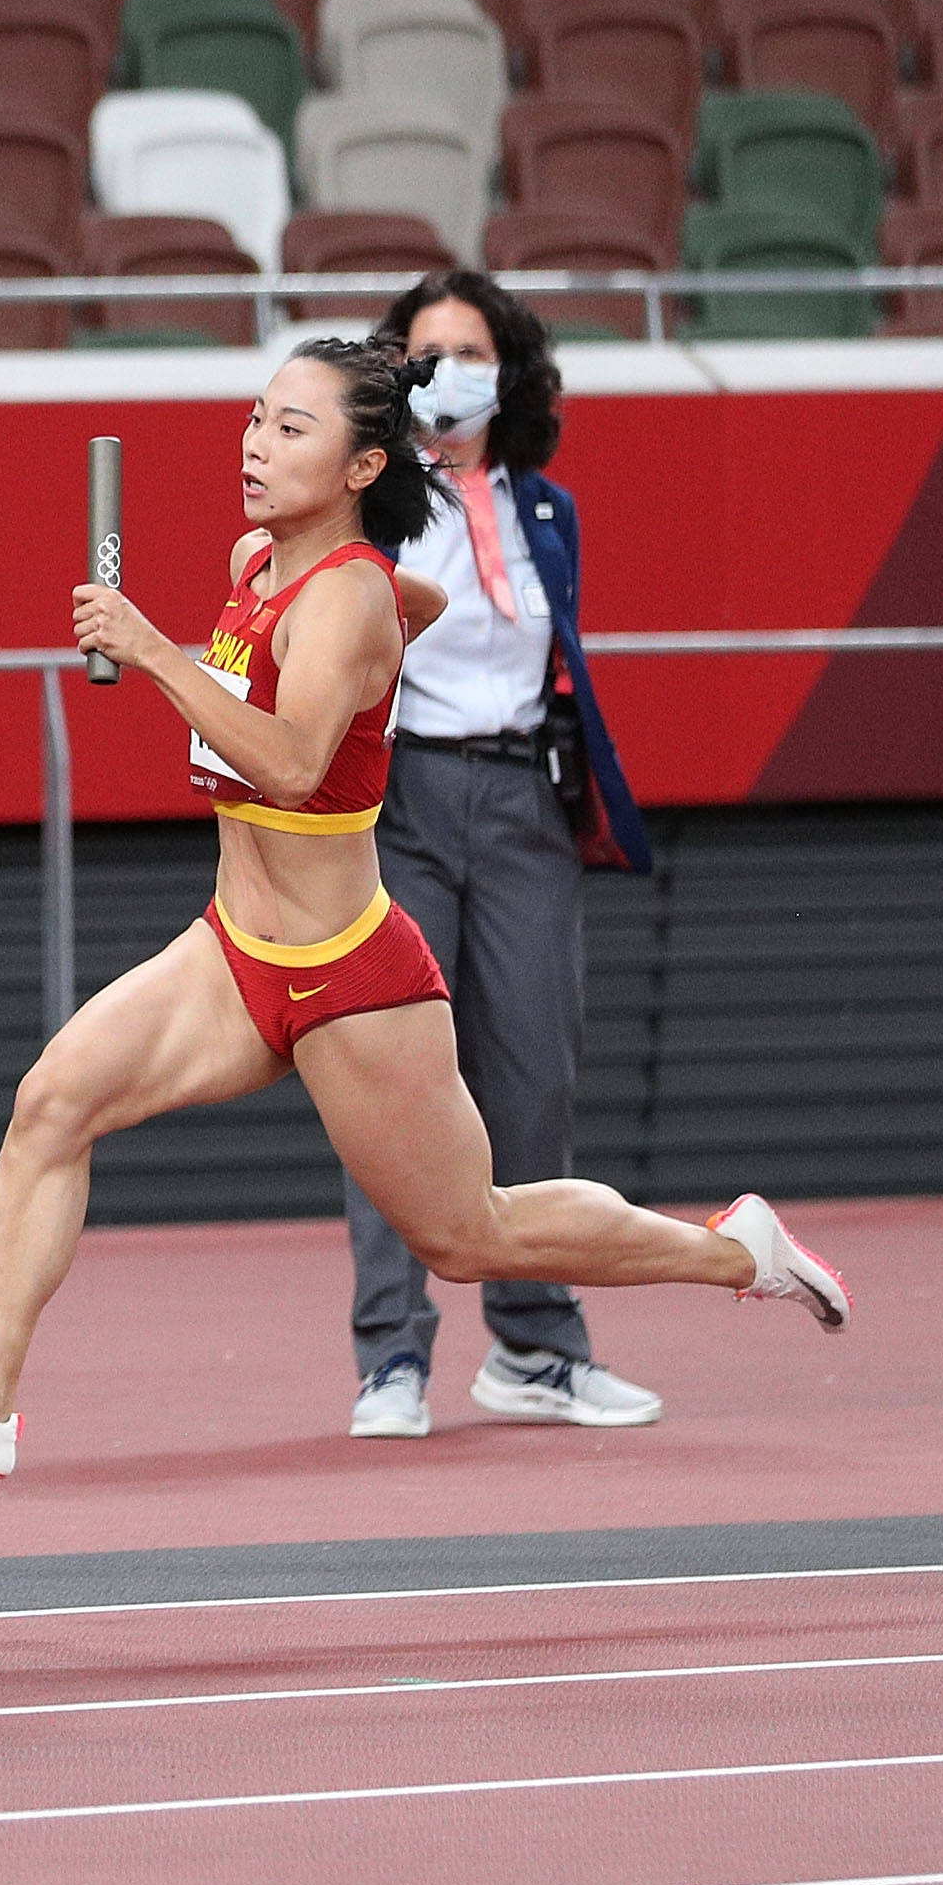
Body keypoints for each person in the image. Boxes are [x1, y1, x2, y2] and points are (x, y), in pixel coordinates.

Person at [0, 340, 850, 1486]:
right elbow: (403, 598)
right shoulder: (263, 562)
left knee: (473, 1235)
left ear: (365, 462)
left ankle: (733, 1253)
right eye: (256, 419)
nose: (256, 446)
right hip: (231, 950)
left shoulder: (348, 600)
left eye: (291, 429)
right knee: (50, 1106)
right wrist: (381, 616)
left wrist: (153, 647)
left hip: (349, 975)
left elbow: (287, 762)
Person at [343, 271, 659, 1441]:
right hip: (408, 796)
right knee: (394, 1083)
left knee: (534, 1072)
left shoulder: (546, 510)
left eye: (473, 351)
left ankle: (537, 1345)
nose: (452, 373)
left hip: (526, 795)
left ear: (508, 372)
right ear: (396, 375)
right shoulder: (369, 502)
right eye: (427, 353)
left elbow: (559, 656)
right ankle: (390, 1357)